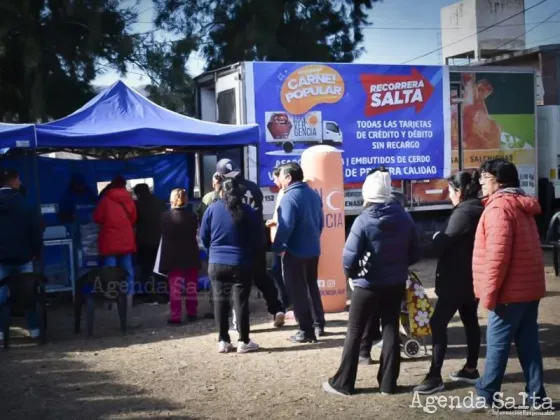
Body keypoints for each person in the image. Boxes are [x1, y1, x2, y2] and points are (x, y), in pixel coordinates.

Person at [323, 170, 420, 396]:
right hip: (395, 283)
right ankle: (388, 384)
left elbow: (348, 257)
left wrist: (354, 273)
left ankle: (343, 383)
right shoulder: (405, 217)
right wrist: (399, 266)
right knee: (390, 328)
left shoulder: (363, 220)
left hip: (366, 285)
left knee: (355, 331)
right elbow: (416, 253)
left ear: (367, 192)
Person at [460, 159, 546, 412]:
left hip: (509, 292)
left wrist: (488, 295)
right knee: (529, 345)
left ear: (499, 181)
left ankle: (485, 395)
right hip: (528, 290)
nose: (481, 184)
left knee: (497, 346)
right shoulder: (520, 204)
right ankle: (537, 398)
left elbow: (497, 258)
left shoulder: (499, 209)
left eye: (485, 178)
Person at [413, 171, 483, 395]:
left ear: (459, 192)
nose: (449, 195)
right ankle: (471, 369)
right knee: (470, 320)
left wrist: (433, 239)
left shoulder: (463, 213)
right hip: (471, 276)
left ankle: (435, 376)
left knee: (437, 323)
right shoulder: (479, 208)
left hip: (456, 279)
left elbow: (442, 243)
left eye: (450, 191)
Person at [216, 158, 286, 328]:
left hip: (237, 241)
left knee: (237, 283)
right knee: (261, 275)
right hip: (257, 238)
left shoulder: (228, 191)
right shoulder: (253, 187)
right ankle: (276, 308)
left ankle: (237, 322)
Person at [200, 177, 261, 354]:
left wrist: (213, 251)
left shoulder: (212, 209)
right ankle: (243, 340)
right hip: (241, 262)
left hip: (217, 262)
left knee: (220, 301)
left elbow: (204, 236)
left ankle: (223, 340)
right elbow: (257, 238)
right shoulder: (248, 211)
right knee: (240, 302)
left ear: (221, 192)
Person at [271, 162, 326, 343]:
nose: (279, 180)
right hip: (313, 250)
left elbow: (285, 227)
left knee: (298, 292)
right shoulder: (313, 194)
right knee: (312, 287)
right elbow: (320, 223)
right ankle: (319, 323)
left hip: (295, 252)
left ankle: (305, 331)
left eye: (281, 177)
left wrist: (277, 248)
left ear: (288, 177)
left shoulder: (289, 197)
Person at [0, 169, 43, 342]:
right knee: (28, 295)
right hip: (24, 256)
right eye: (18, 178)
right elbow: (35, 230)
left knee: (0, 297)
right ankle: (34, 331)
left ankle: (1, 333)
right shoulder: (26, 202)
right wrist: (36, 252)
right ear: (13, 180)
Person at [156, 188, 200, 324]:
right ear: (186, 200)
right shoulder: (192, 217)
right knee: (191, 286)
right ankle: (192, 312)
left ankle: (176, 316)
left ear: (171, 200)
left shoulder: (164, 217)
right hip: (191, 254)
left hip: (172, 257)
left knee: (175, 289)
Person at [92, 175, 137, 305]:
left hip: (109, 240)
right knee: (128, 270)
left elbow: (97, 218)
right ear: (124, 185)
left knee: (110, 271)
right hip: (126, 239)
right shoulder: (130, 200)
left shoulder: (105, 200)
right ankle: (129, 299)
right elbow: (134, 219)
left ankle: (111, 299)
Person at [133, 183, 167, 302]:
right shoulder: (160, 202)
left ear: (138, 194)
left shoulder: (137, 205)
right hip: (160, 240)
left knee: (147, 269)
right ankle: (164, 294)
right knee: (160, 268)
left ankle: (151, 295)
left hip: (144, 241)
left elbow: (134, 221)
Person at [265, 166, 291, 312]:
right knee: (277, 271)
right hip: (277, 237)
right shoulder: (282, 192)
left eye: (276, 178)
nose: (275, 181)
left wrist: (275, 223)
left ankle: (288, 302)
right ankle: (286, 301)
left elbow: (287, 219)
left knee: (279, 271)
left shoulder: (286, 193)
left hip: (282, 240)